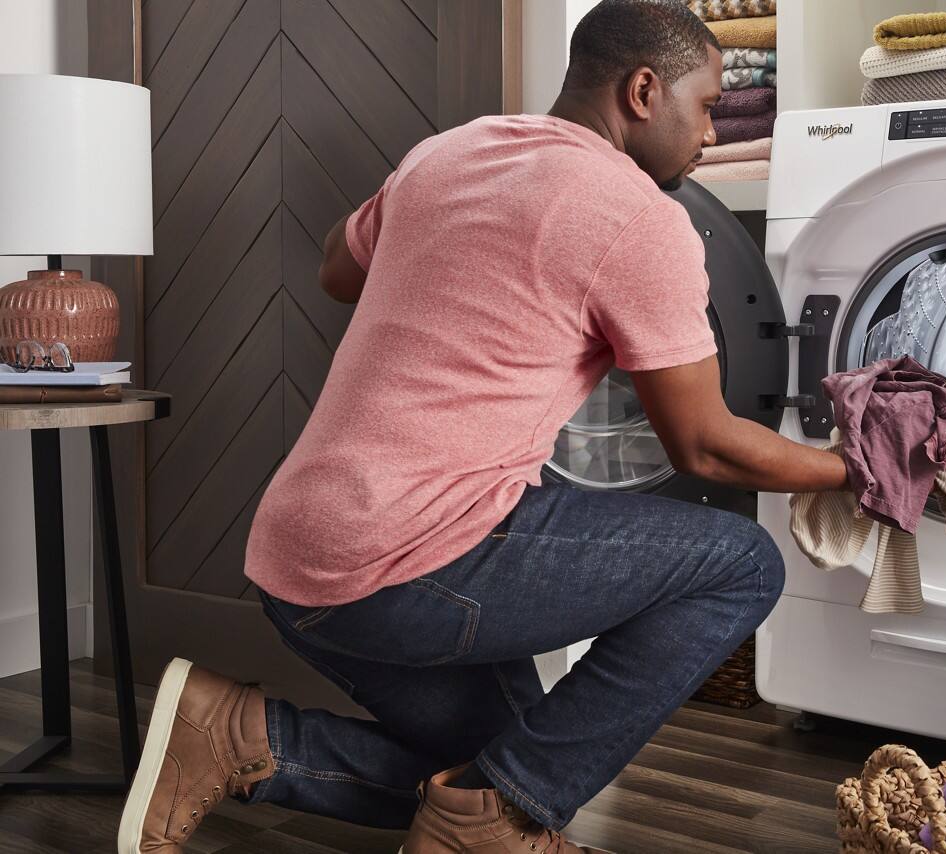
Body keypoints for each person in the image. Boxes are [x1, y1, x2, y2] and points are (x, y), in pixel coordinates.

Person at [117, 1, 847, 851]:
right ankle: (492, 823)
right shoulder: (640, 215)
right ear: (645, 91)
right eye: (710, 105)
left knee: (505, 768)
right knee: (741, 564)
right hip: (410, 560)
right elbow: (705, 445)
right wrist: (851, 470)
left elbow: (334, 268)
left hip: (295, 554)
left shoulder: (452, 151)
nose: (713, 135)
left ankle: (241, 738)